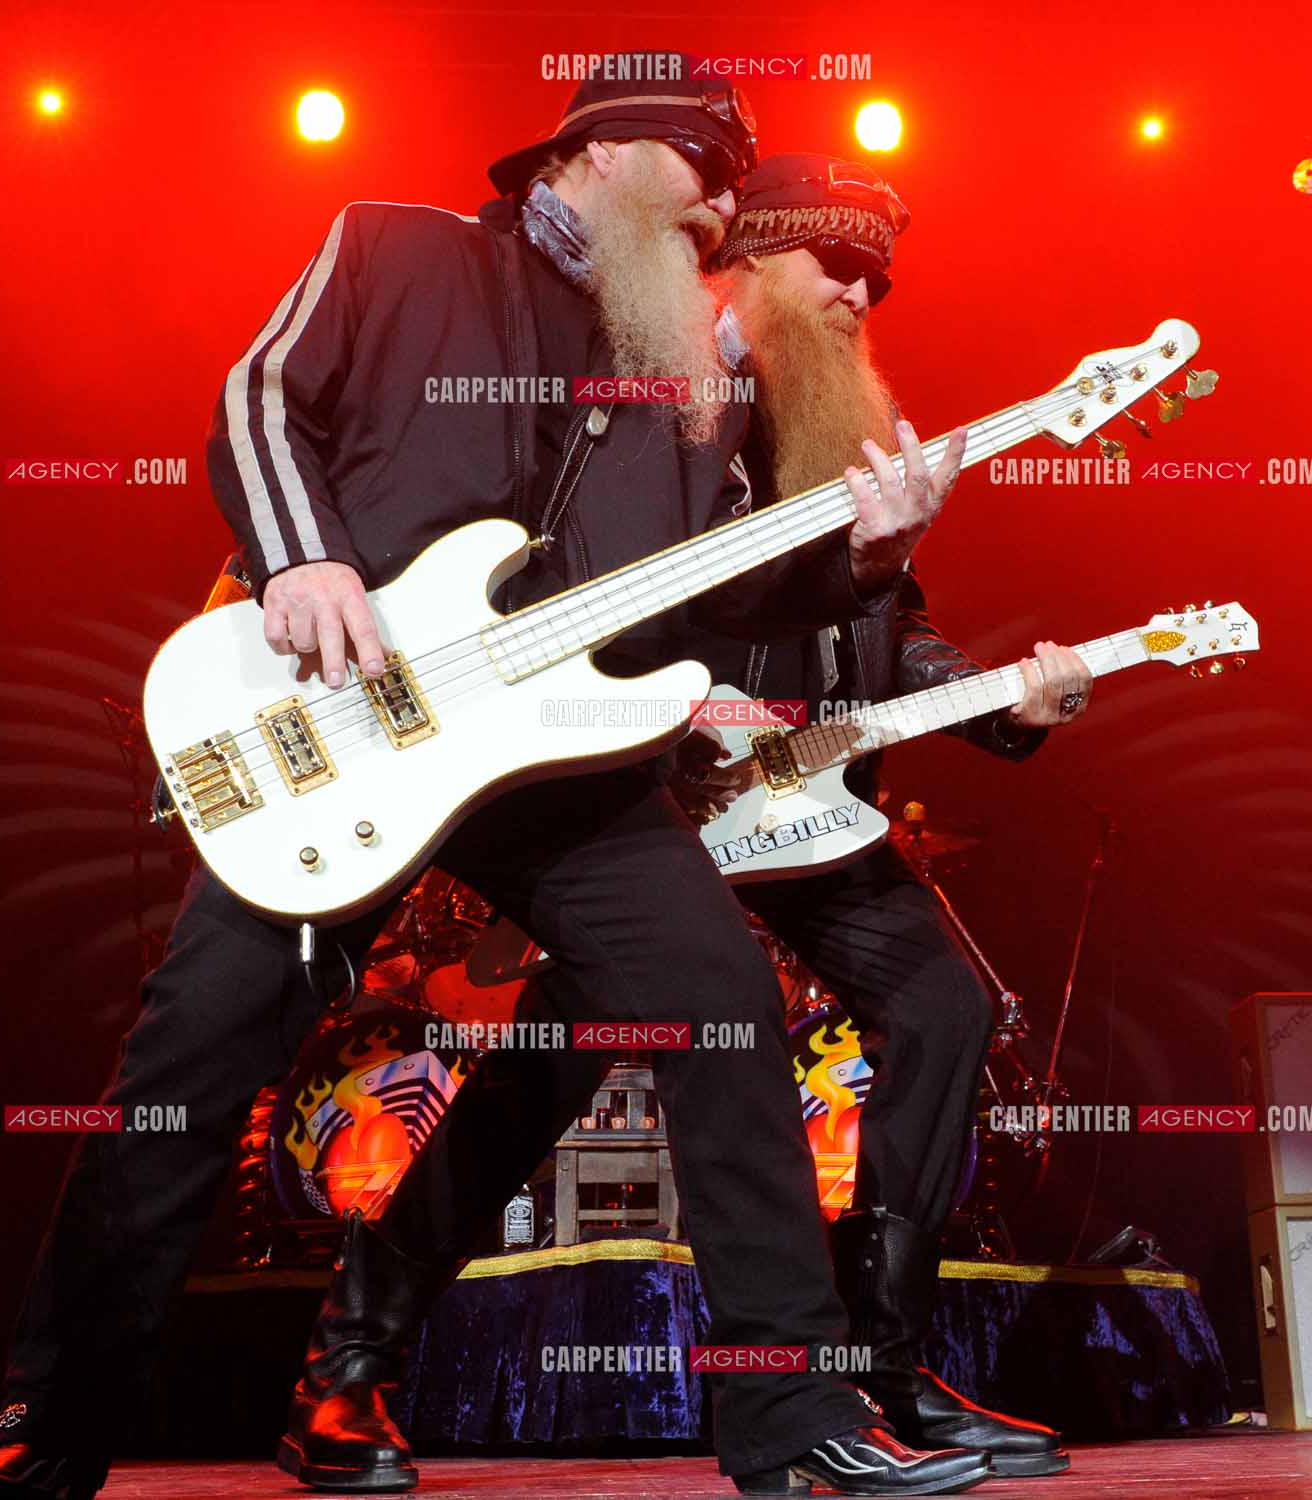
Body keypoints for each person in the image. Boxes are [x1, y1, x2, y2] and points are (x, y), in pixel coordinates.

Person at [0, 58, 985, 1500]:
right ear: (599, 153)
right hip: (346, 723)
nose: (728, 209)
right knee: (188, 1068)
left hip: (556, 760)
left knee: (721, 1006)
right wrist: (303, 556)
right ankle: (47, 1426)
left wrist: (863, 551)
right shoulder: (393, 247)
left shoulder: (684, 374)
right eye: (706, 173)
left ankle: (788, 1419)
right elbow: (259, 399)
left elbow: (717, 599)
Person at [280, 155, 1090, 1492]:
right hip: (648, 802)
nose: (858, 294)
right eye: (833, 266)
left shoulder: (849, 427)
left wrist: (1013, 699)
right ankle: (346, 1368)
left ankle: (876, 1372)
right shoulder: (625, 387)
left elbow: (902, 633)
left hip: (810, 808)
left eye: (877, 280)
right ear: (751, 263)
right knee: (539, 1081)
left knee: (945, 1011)